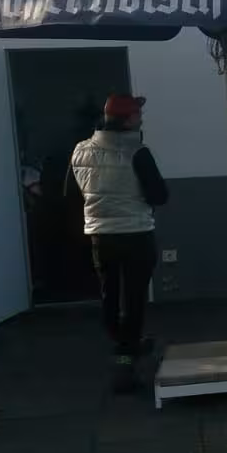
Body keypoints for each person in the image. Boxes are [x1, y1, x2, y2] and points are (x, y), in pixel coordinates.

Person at [68, 93, 169, 392]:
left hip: (100, 236)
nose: (141, 118)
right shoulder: (137, 152)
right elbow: (159, 196)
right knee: (134, 298)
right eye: (138, 114)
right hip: (136, 234)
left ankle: (123, 340)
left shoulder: (80, 150)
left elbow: (73, 193)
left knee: (109, 294)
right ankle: (125, 360)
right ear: (127, 120)